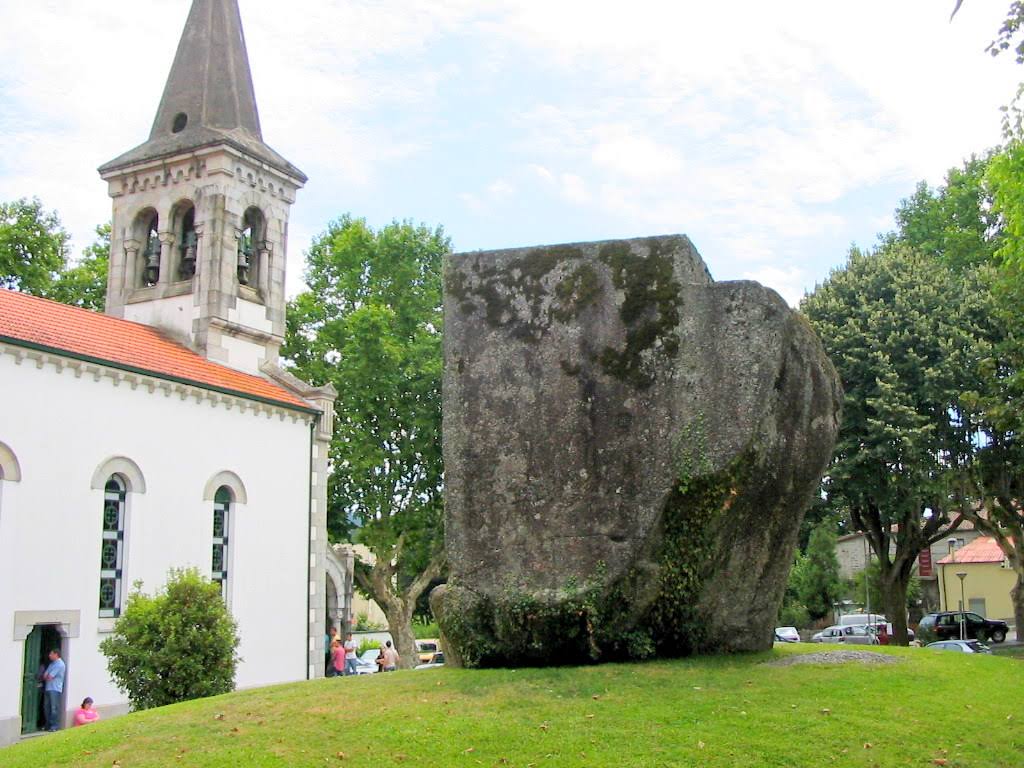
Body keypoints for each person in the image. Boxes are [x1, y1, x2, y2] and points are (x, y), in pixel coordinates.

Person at [42, 649, 66, 732]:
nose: (49, 655)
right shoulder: (52, 664)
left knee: (54, 708)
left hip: (55, 689)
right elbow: (45, 675)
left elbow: (49, 676)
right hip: (48, 687)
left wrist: (47, 676)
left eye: (51, 654)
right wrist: (47, 676)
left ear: (56, 654)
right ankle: (47, 725)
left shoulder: (60, 664)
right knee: (46, 707)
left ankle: (54, 726)